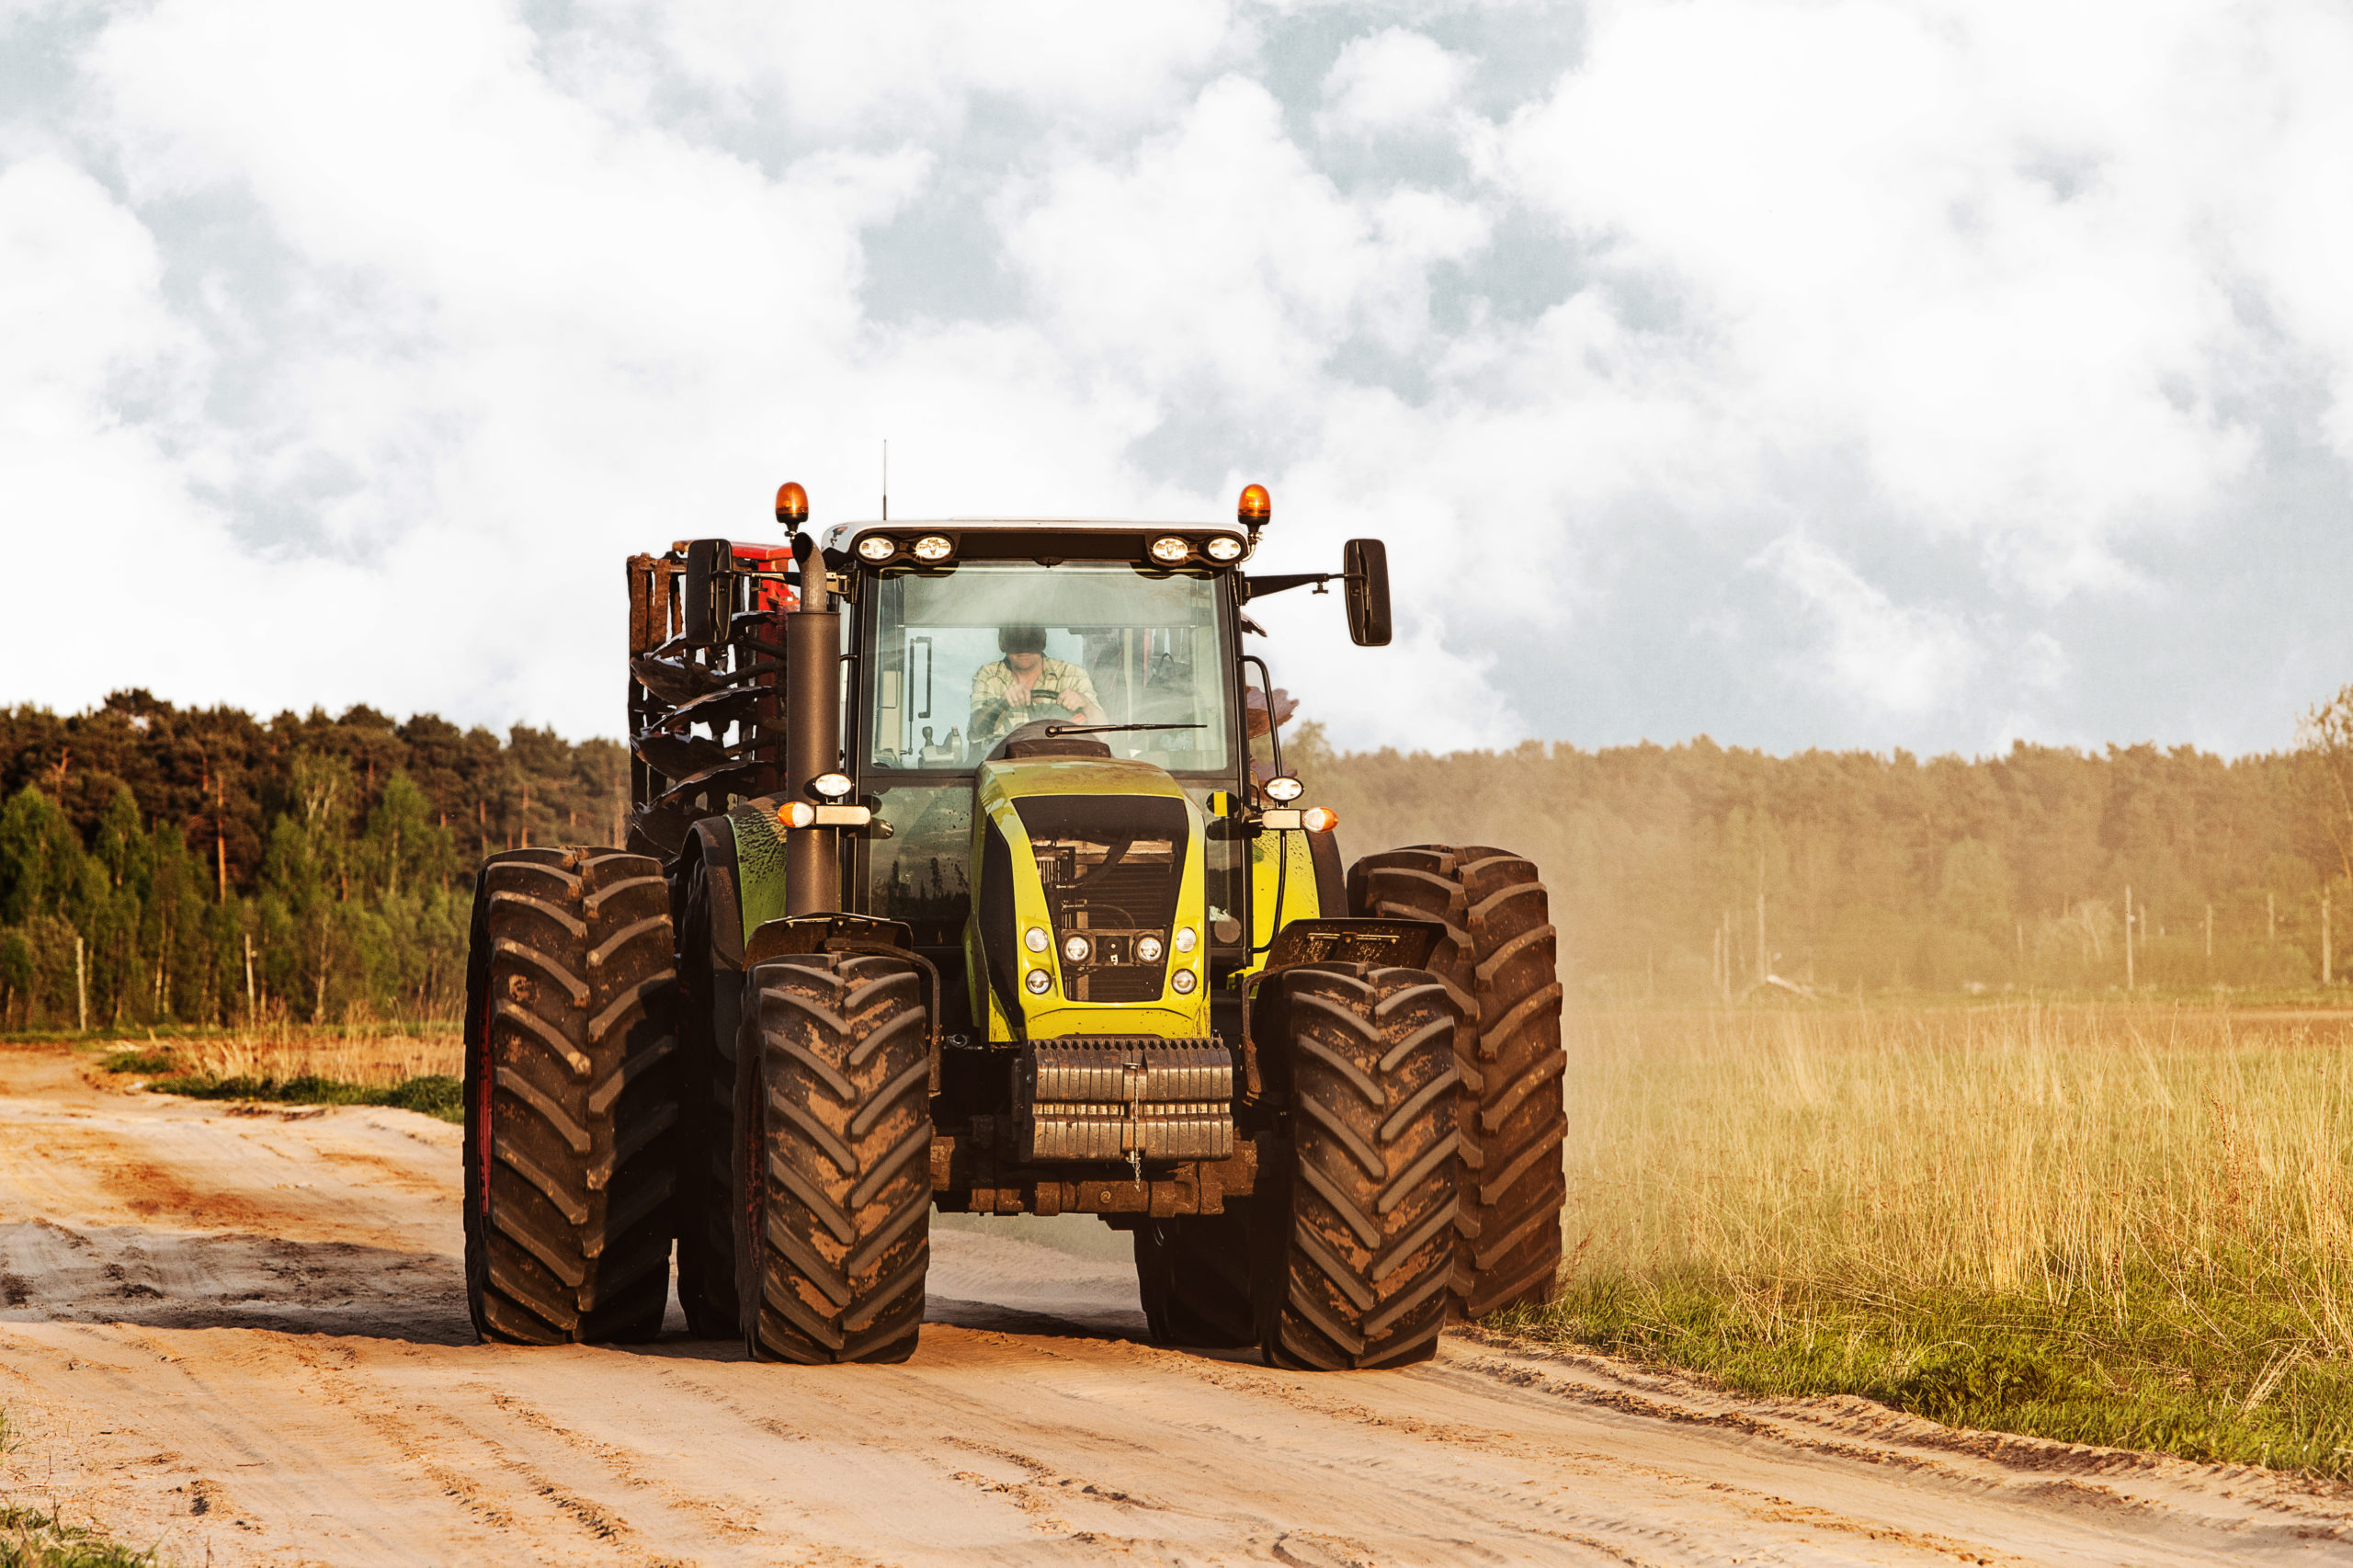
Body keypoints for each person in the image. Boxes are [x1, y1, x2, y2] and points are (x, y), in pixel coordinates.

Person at [969, 625, 1107, 747]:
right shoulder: (989, 675)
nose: (1023, 645)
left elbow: (1102, 732)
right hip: (1004, 768)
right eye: (1014, 637)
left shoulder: (1073, 674)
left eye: (1032, 637)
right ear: (1001, 643)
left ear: (1043, 641)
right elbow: (979, 727)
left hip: (1068, 766)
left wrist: (1086, 704)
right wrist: (1001, 704)